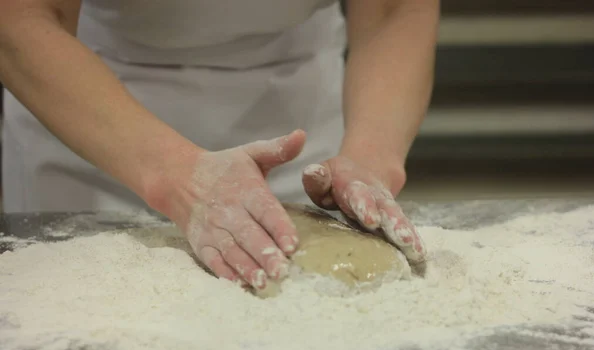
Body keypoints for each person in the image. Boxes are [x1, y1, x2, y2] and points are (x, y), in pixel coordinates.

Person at [0, 0, 439, 289]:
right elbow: (20, 19)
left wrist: (370, 157)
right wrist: (175, 176)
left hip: (295, 115)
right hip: (96, 115)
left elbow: (393, 11)